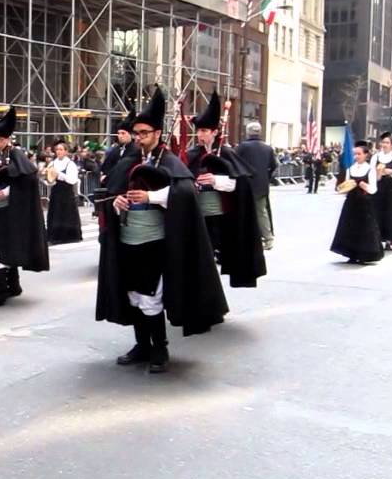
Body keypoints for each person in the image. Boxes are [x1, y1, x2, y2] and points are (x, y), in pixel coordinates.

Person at [96, 84, 228, 374]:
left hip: (157, 242)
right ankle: (142, 344)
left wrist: (151, 197)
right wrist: (117, 202)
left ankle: (160, 347)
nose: (139, 138)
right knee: (133, 295)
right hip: (129, 240)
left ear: (157, 133)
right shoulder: (129, 160)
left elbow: (185, 195)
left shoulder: (169, 162)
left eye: (145, 133)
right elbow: (110, 195)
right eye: (137, 133)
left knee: (151, 296)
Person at [0, 106, 49, 308]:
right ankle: (13, 284)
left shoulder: (16, 155)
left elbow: (28, 180)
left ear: (6, 139)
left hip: (12, 212)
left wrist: (7, 192)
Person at [184, 90, 266, 288]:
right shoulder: (192, 154)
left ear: (214, 132)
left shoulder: (227, 153)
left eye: (205, 131)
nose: (200, 135)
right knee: (198, 259)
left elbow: (240, 185)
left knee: (214, 257)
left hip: (222, 217)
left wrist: (215, 180)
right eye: (199, 131)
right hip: (197, 215)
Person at [330, 141, 384, 265]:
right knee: (350, 226)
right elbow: (346, 185)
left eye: (359, 154)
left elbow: (373, 189)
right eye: (355, 154)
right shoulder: (351, 169)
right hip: (352, 202)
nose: (356, 157)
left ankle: (364, 253)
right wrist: (344, 187)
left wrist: (364, 185)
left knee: (365, 228)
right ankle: (351, 253)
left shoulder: (370, 170)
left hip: (364, 203)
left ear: (366, 155)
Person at [233, 121, 277, 251]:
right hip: (262, 185)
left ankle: (247, 238)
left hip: (245, 184)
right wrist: (266, 177)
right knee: (261, 212)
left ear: (248, 132)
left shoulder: (242, 147)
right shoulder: (268, 148)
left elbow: (234, 163)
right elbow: (273, 165)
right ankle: (268, 239)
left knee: (243, 212)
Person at [370, 132, 392, 250]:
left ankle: (391, 239)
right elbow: (371, 172)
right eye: (383, 142)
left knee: (391, 213)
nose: (384, 145)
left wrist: (390, 172)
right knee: (377, 212)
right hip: (378, 187)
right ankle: (378, 237)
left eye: (387, 143)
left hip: (390, 189)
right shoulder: (376, 157)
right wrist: (379, 173)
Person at [46, 140, 83, 245]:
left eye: (61, 149)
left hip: (66, 192)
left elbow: (72, 180)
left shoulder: (70, 164)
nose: (58, 151)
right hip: (56, 191)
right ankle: (54, 237)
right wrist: (49, 179)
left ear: (66, 152)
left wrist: (59, 175)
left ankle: (69, 237)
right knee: (55, 213)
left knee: (67, 213)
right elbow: (49, 179)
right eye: (57, 149)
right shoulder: (52, 163)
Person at [100, 100, 136, 184]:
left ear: (130, 134)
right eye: (118, 133)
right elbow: (106, 166)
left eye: (123, 133)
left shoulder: (135, 150)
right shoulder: (115, 150)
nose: (120, 136)